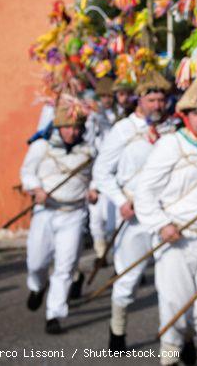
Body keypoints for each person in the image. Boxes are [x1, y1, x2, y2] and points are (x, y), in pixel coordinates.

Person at [134, 80, 197, 366]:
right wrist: (161, 224)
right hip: (176, 238)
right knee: (175, 305)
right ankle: (170, 357)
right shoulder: (170, 145)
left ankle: (188, 337)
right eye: (196, 113)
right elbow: (145, 193)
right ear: (185, 115)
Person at [93, 71, 175, 352]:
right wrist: (120, 201)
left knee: (171, 282)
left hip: (167, 215)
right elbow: (102, 172)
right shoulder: (123, 130)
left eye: (161, 99)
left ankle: (174, 343)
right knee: (128, 278)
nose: (157, 105)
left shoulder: (173, 129)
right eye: (151, 99)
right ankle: (117, 330)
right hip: (135, 214)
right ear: (139, 100)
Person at [20, 100, 97, 334]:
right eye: (67, 127)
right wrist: (36, 189)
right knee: (36, 262)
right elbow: (26, 172)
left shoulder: (89, 151)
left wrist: (94, 190)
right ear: (59, 127)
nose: (72, 132)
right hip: (45, 212)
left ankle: (54, 314)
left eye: (76, 128)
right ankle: (37, 286)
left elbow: (97, 176)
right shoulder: (41, 147)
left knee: (65, 266)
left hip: (73, 214)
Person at [85, 76, 119, 261]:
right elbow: (89, 147)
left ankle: (116, 256)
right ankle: (100, 252)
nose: (106, 99)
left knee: (111, 220)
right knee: (95, 219)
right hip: (94, 176)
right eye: (103, 96)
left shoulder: (116, 117)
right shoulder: (91, 117)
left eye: (109, 96)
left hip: (112, 174)